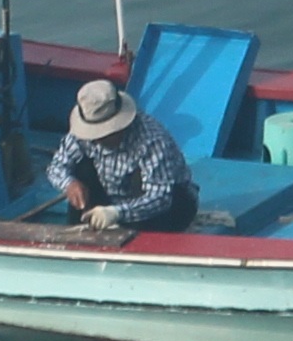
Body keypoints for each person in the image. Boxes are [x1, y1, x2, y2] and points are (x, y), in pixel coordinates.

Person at [45, 74, 197, 235]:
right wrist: (69, 184)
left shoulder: (152, 140)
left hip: (168, 205)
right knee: (81, 169)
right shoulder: (82, 135)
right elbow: (56, 167)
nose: (97, 139)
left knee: (161, 196)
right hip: (112, 198)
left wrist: (116, 213)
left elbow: (160, 197)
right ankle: (80, 233)